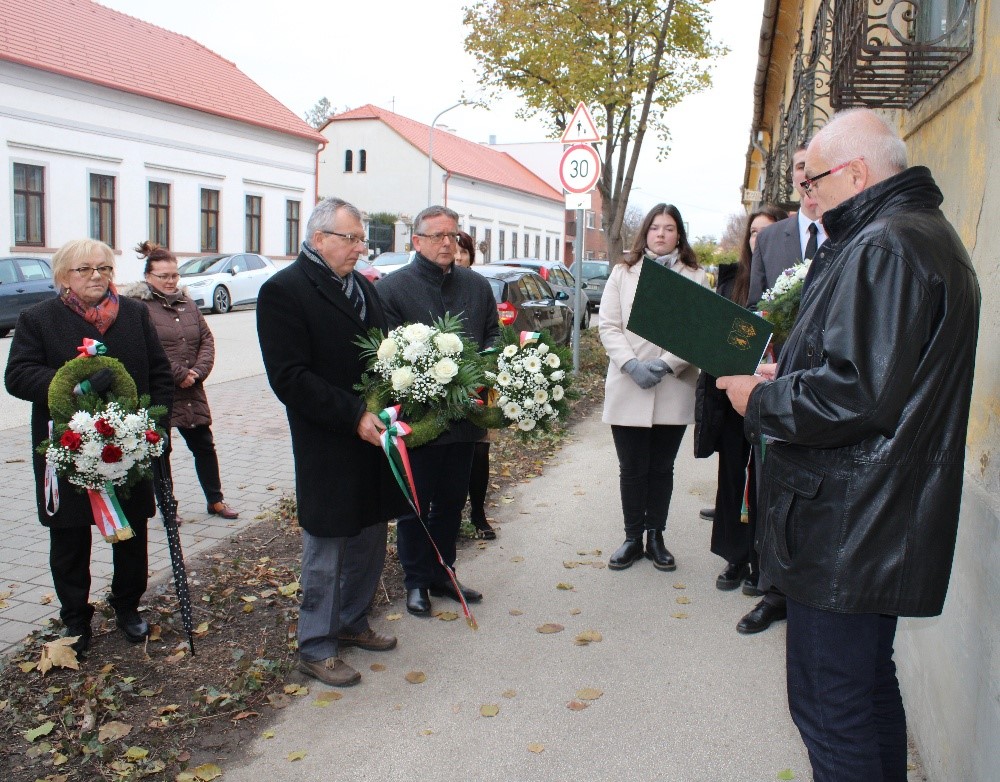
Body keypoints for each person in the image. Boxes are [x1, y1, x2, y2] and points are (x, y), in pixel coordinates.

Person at [718, 108, 980, 782]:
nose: (810, 195)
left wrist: (762, 398)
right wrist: (791, 374)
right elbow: (874, 373)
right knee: (864, 692)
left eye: (816, 180)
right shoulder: (915, 236)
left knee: (830, 710)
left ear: (856, 172)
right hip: (877, 515)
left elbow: (856, 394)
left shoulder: (883, 245)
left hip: (851, 523)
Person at [257, 197, 408, 687]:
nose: (361, 249)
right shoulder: (285, 290)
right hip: (329, 438)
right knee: (327, 543)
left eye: (363, 239)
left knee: (369, 532)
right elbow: (289, 376)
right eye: (352, 239)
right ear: (319, 239)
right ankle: (316, 644)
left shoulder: (363, 288)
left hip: (373, 433)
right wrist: (352, 415)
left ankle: (351, 621)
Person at [5, 239, 173, 655]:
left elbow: (159, 373)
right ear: (64, 276)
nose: (96, 276)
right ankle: (76, 620)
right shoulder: (38, 319)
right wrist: (71, 385)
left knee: (130, 533)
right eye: (85, 269)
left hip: (128, 450)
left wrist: (155, 426)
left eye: (104, 268)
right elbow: (18, 375)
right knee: (70, 539)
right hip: (68, 449)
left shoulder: (133, 314)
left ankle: (128, 607)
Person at [376, 207, 499, 616]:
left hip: (465, 419)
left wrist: (483, 374)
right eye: (437, 236)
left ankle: (444, 571)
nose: (447, 242)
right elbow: (385, 358)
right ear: (417, 242)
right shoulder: (392, 289)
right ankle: (415, 581)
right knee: (416, 503)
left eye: (452, 234)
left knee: (452, 500)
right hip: (420, 421)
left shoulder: (476, 286)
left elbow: (492, 336)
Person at [738, 143, 830, 634]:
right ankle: (773, 592)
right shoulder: (772, 238)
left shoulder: (850, 229)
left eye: (813, 169)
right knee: (773, 487)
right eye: (798, 169)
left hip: (828, 386)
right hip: (778, 384)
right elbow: (756, 310)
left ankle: (811, 593)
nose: (805, 177)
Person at [599, 203, 709, 572]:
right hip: (628, 382)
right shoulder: (623, 272)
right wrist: (631, 364)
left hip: (672, 385)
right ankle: (632, 538)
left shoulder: (696, 276)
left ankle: (656, 537)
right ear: (645, 233)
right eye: (655, 228)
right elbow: (608, 326)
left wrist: (666, 364)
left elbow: (698, 330)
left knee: (662, 467)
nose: (661, 234)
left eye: (669, 228)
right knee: (631, 467)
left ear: (679, 234)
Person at [694, 205, 787, 591]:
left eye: (767, 231)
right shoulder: (732, 282)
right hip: (734, 396)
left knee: (769, 483)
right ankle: (735, 557)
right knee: (733, 476)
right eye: (753, 233)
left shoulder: (794, 281)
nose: (758, 238)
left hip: (778, 396)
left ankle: (765, 563)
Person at [122, 242, 238, 521]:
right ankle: (168, 508)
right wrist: (179, 374)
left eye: (174, 275)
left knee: (204, 446)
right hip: (160, 390)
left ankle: (216, 500)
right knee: (161, 450)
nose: (171, 281)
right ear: (148, 277)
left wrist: (197, 372)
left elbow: (206, 339)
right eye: (163, 276)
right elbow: (147, 349)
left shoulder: (188, 304)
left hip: (193, 389)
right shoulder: (139, 308)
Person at [454, 230, 496, 540]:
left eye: (462, 252)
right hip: (447, 380)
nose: (457, 257)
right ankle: (449, 515)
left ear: (470, 255)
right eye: (453, 252)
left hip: (481, 377)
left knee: (480, 450)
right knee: (452, 450)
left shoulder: (480, 289)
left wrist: (487, 363)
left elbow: (494, 331)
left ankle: (479, 513)